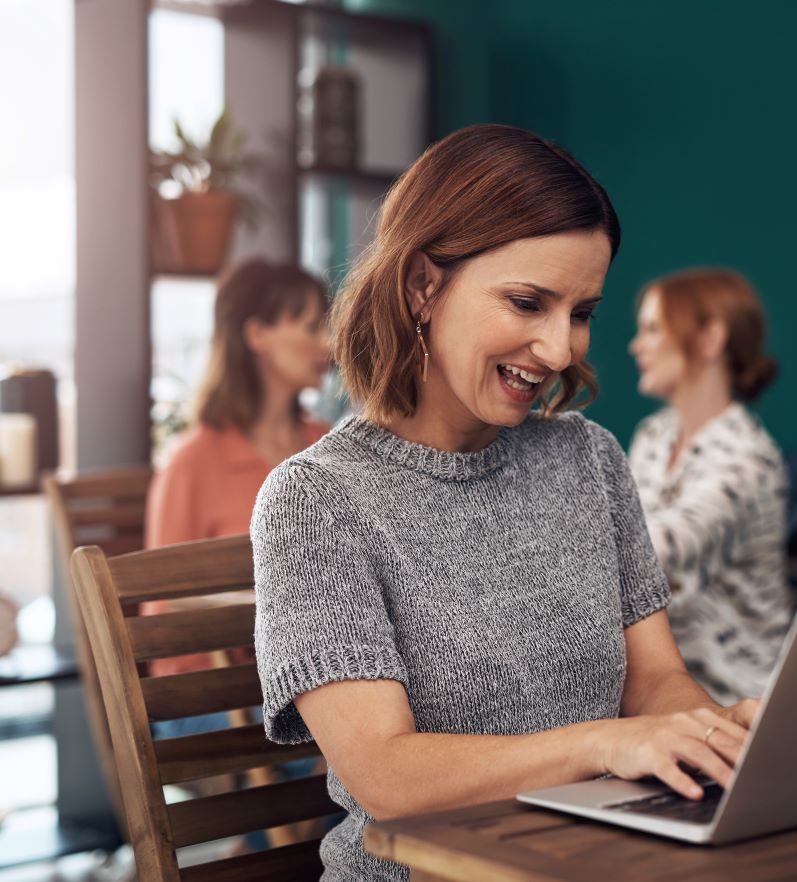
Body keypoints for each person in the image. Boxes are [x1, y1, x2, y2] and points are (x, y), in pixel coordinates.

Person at [250, 124, 760, 882]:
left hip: (593, 865)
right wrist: (601, 743)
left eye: (581, 312)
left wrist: (716, 732)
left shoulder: (589, 459)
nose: (560, 350)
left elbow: (654, 680)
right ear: (423, 285)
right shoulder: (316, 501)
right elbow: (386, 777)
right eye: (528, 302)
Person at [145, 258, 331, 678]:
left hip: (317, 687)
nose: (329, 345)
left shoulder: (328, 445)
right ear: (257, 334)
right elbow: (165, 618)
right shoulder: (191, 463)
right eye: (312, 328)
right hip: (213, 700)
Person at [627, 269, 791, 704]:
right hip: (652, 689)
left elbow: (653, 553)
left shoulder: (746, 457)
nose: (636, 345)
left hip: (734, 697)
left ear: (710, 338)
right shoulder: (652, 436)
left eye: (652, 329)